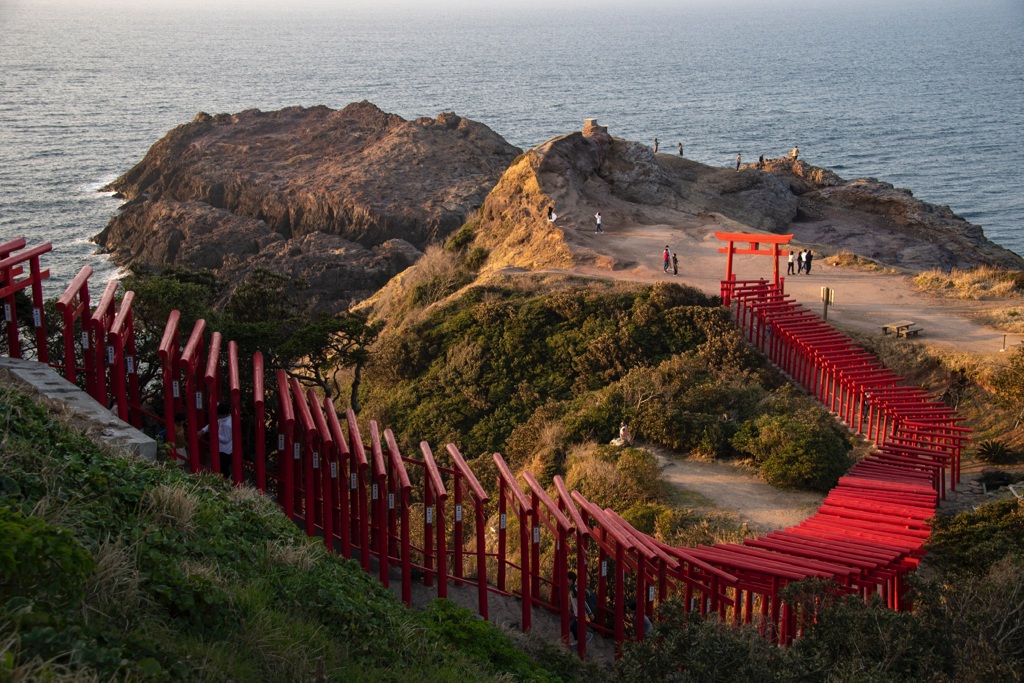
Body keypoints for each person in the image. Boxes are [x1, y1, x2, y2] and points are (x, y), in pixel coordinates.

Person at [200, 402, 233, 479]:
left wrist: (214, 434)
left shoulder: (228, 424)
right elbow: (213, 424)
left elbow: (226, 439)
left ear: (223, 414)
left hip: (225, 450)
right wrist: (202, 431)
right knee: (220, 467)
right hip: (220, 448)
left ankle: (230, 482)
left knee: (223, 469)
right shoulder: (222, 419)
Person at [567, 571, 593, 644]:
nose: (566, 580)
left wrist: (590, 612)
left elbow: (582, 601)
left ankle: (586, 636)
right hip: (577, 613)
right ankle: (578, 641)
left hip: (582, 614)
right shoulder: (571, 589)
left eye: (567, 579)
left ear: (571, 579)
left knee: (574, 627)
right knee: (573, 627)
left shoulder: (575, 589)